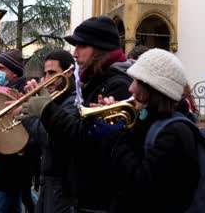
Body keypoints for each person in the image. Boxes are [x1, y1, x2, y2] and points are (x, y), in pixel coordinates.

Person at [20, 16, 133, 211]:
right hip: (83, 195)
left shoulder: (118, 85)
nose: (75, 53)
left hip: (101, 200)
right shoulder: (94, 81)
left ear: (99, 48)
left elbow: (81, 140)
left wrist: (46, 109)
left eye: (81, 46)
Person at [101, 48, 200, 212]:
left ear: (152, 88)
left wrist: (117, 132)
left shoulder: (175, 132)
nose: (130, 89)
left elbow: (140, 184)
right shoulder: (146, 119)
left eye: (136, 82)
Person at [22, 50, 78, 213]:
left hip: (61, 185)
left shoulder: (71, 102)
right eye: (45, 73)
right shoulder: (57, 100)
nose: (47, 79)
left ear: (68, 73)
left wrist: (27, 116)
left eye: (52, 73)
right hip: (48, 181)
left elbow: (49, 137)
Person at [0, 49, 37, 213]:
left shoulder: (17, 93)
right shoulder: (4, 89)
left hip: (11, 166)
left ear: (13, 72)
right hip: (10, 165)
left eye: (1, 68)